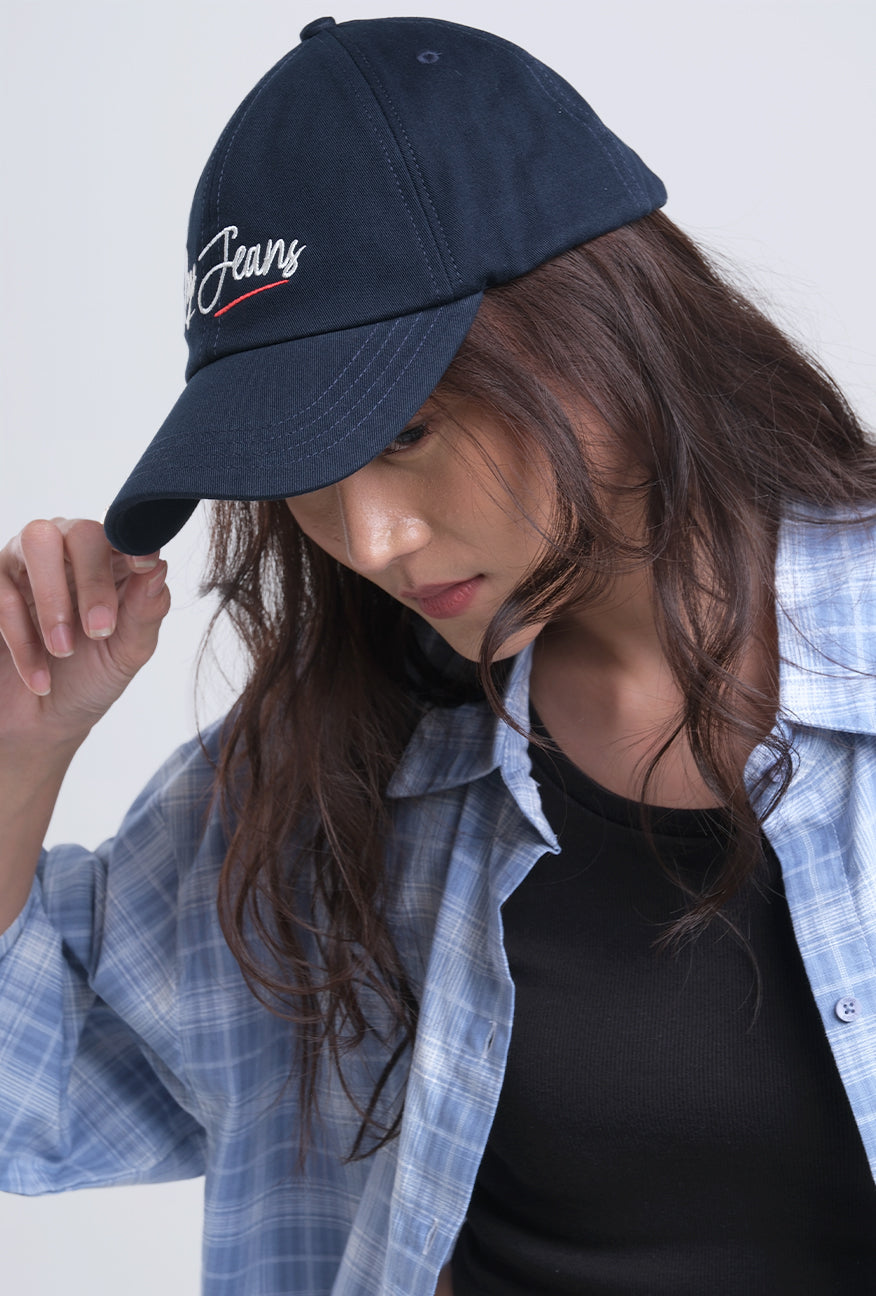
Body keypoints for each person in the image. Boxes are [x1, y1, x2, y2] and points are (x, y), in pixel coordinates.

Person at [1, 12, 875, 1295]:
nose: (370, 539)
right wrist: (21, 745)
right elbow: (32, 1094)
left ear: (600, 329)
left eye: (407, 431)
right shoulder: (340, 769)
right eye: (307, 469)